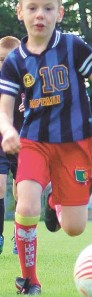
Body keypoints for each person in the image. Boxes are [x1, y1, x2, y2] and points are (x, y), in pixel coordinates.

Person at [0, 0, 92, 293]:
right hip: (34, 142)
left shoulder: (72, 46)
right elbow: (4, 108)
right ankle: (30, 280)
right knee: (26, 207)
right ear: (20, 12)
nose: (40, 14)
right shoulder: (14, 61)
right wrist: (7, 130)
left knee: (74, 228)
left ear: (60, 13)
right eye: (32, 8)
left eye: (48, 8)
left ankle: (55, 200)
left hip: (75, 144)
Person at [0, 35, 22, 256]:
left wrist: (33, 106)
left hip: (25, 143)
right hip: (0, 143)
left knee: (21, 192)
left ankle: (20, 236)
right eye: (0, 60)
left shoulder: (30, 80)